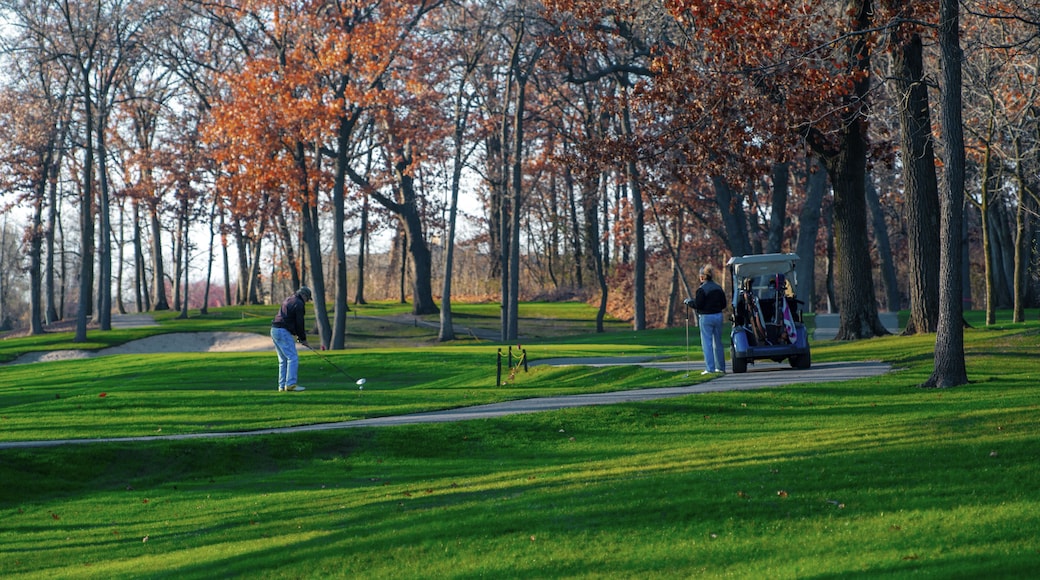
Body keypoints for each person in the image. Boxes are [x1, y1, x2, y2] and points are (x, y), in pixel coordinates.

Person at [684, 265, 727, 375]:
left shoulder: (702, 289)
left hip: (706, 317)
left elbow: (698, 305)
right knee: (718, 343)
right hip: (718, 316)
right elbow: (724, 304)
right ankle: (720, 367)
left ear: (703, 277)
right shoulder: (718, 288)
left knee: (707, 343)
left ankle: (710, 368)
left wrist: (689, 302)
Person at [271, 286, 312, 392]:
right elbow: (299, 323)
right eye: (307, 299)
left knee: (283, 360)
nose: (306, 301)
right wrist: (303, 338)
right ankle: (290, 384)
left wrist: (299, 336)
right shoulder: (299, 303)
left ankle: (281, 386)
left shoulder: (289, 299)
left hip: (274, 330)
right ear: (304, 295)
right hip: (282, 331)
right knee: (293, 357)